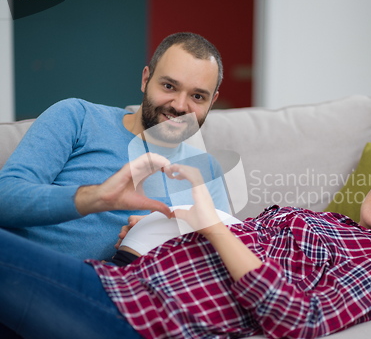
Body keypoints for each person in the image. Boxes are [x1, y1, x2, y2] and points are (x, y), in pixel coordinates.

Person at [0, 149, 371, 339]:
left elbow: (301, 317)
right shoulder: (329, 221)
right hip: (119, 281)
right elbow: (236, 243)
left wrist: (213, 227)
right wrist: (165, 228)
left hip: (138, 325)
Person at [0, 32, 230, 261]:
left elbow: (224, 254)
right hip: (29, 270)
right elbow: (5, 198)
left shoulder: (206, 170)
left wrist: (155, 245)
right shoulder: (78, 118)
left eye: (198, 96)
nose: (180, 106)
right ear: (145, 79)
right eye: (169, 86)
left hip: (125, 289)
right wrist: (97, 197)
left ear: (213, 101)